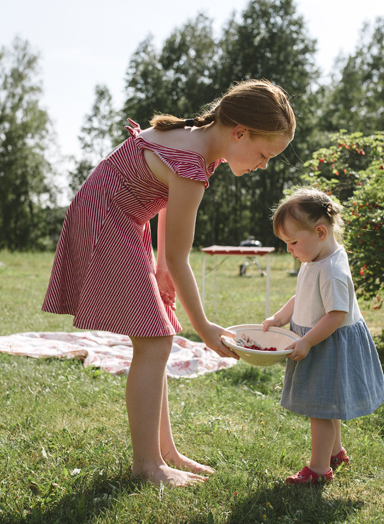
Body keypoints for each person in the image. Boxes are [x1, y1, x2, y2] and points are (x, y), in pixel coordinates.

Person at [42, 79, 296, 487]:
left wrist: (161, 268)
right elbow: (181, 257)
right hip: (107, 218)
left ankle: (165, 452)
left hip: (124, 216)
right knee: (155, 341)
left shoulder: (201, 143)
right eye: (264, 155)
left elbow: (167, 219)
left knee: (156, 338)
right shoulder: (192, 161)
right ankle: (148, 466)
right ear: (240, 132)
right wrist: (204, 327)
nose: (263, 165)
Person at [262, 187, 384, 485]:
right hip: (318, 342)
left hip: (328, 344)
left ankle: (318, 470)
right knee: (326, 404)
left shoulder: (332, 270)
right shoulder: (314, 259)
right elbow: (302, 296)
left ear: (320, 232)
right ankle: (336, 453)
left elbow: (336, 314)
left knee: (320, 410)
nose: (289, 249)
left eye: (293, 242)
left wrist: (306, 341)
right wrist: (280, 317)